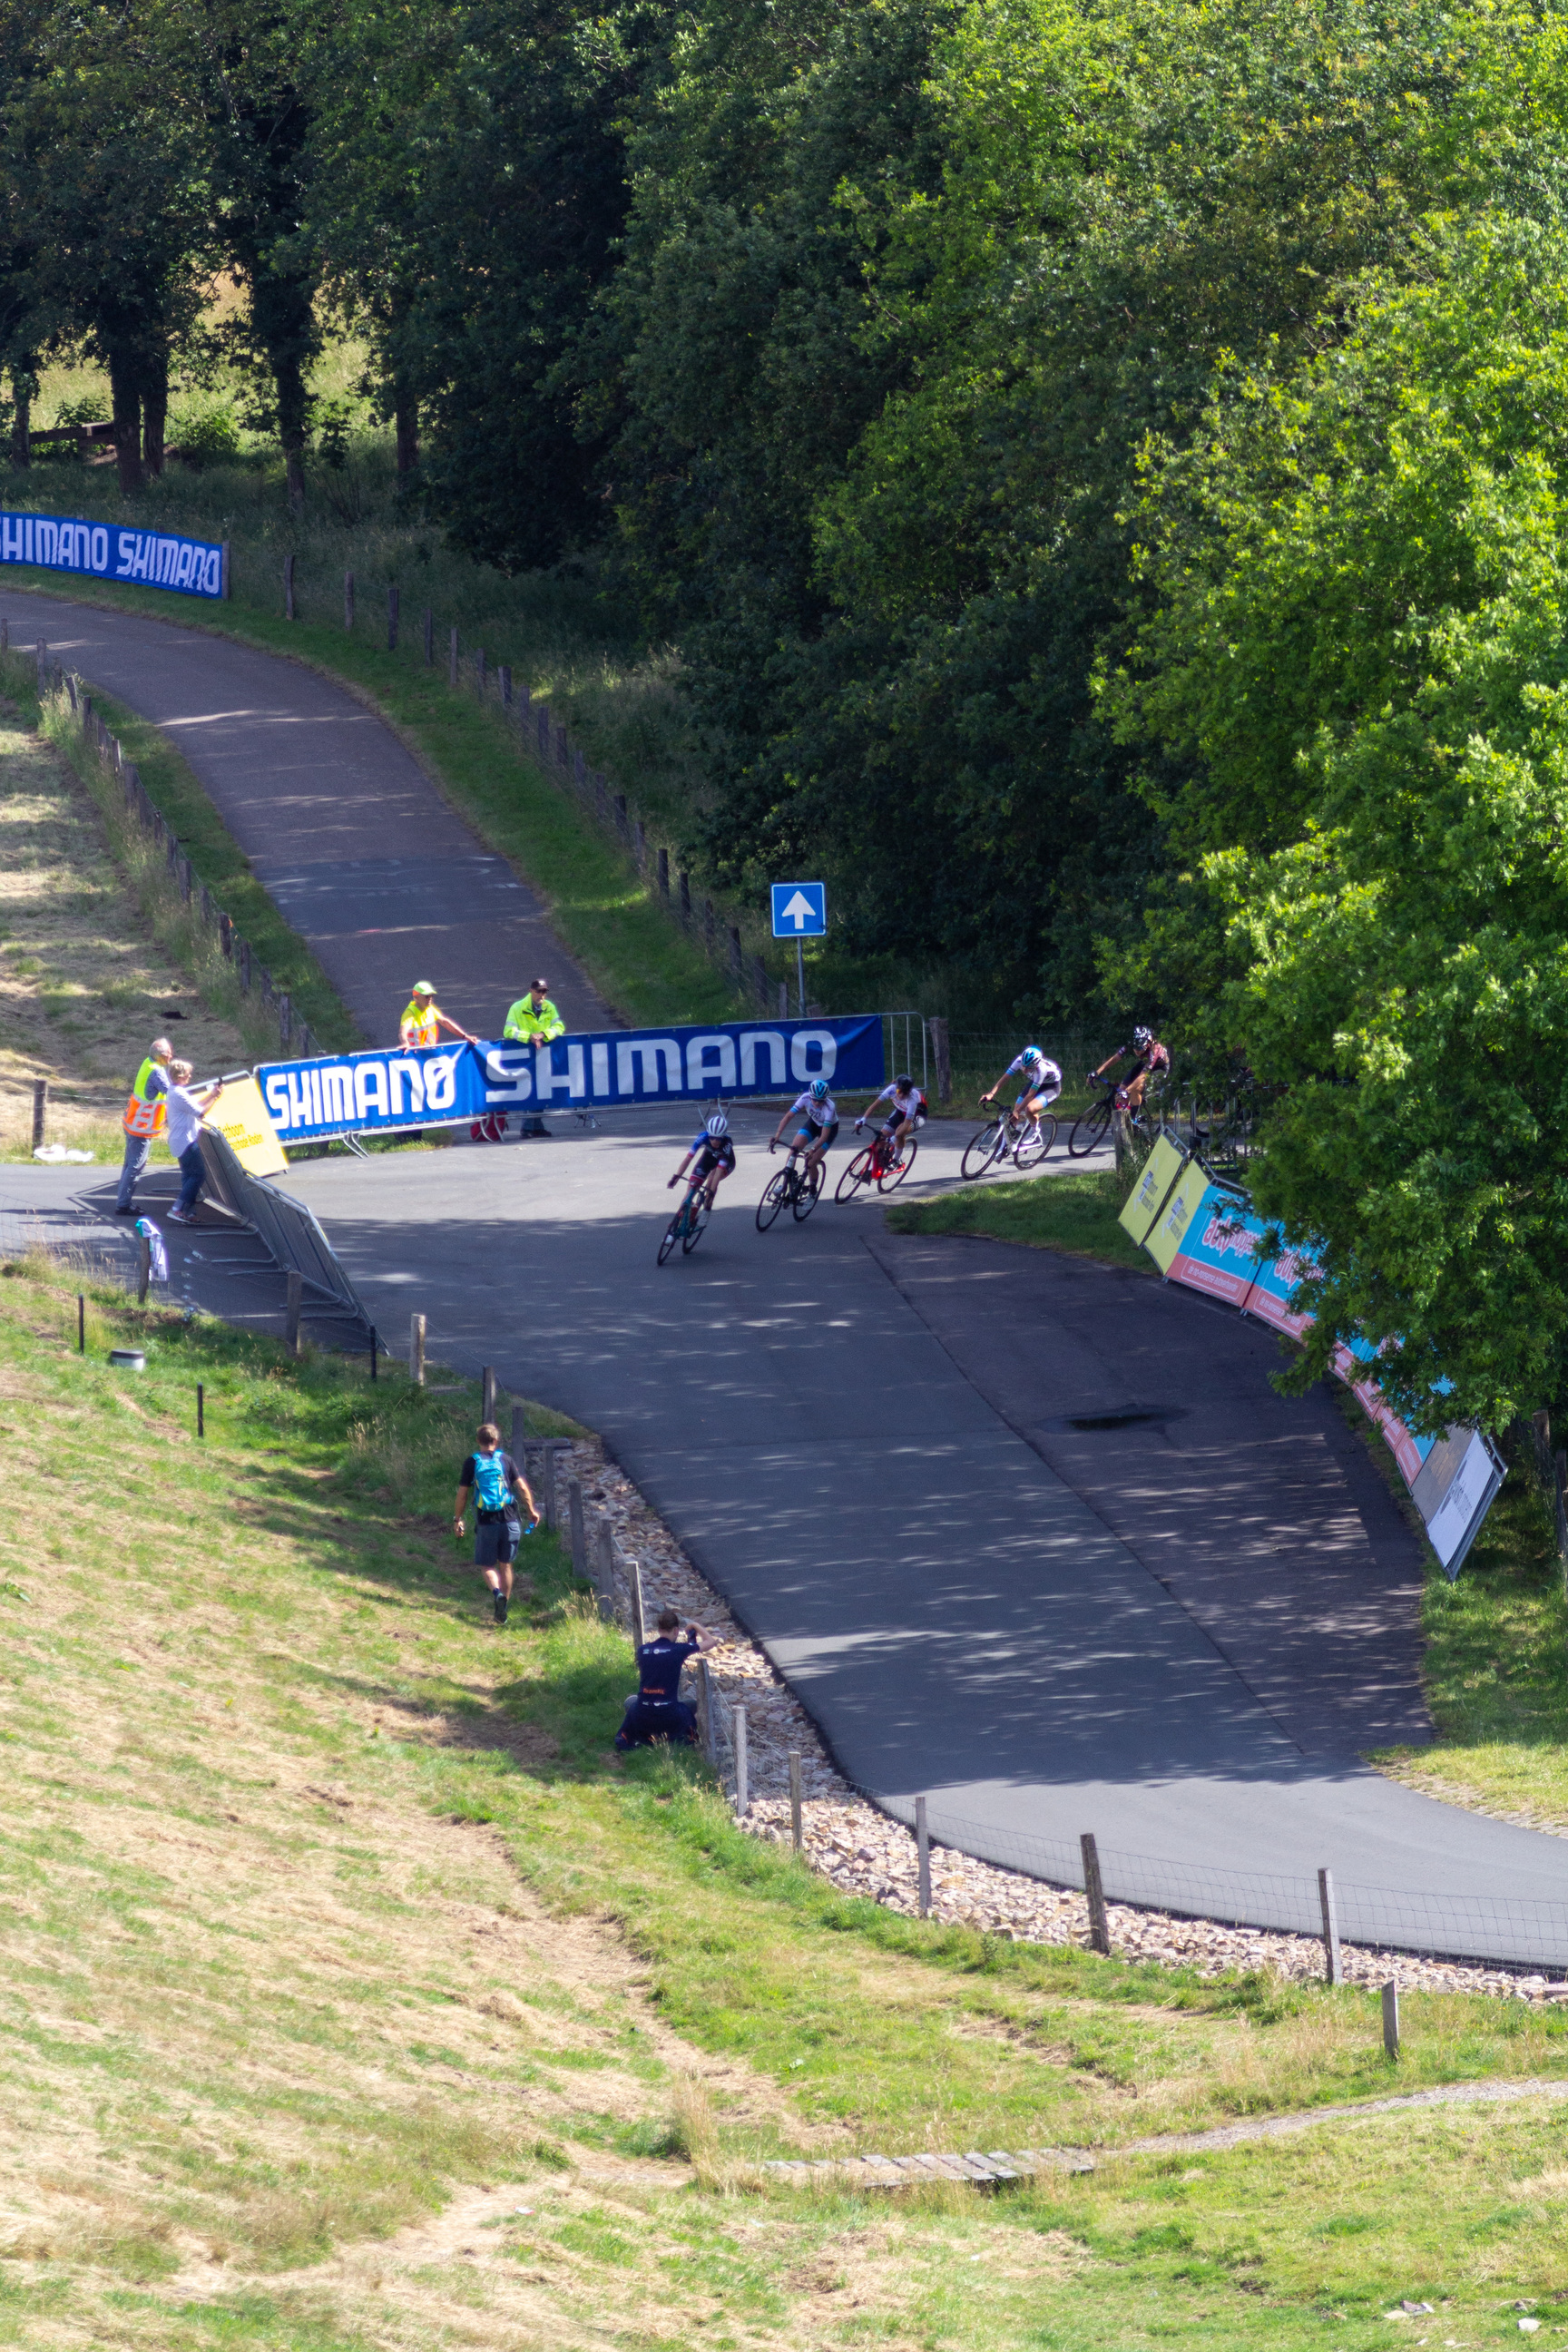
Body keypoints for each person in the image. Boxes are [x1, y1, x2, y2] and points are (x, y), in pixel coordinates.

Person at [453, 1423, 539, 1625]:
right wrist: (531, 1511)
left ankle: (497, 1593)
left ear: (478, 1441)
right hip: (510, 1520)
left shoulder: (472, 1462)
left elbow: (463, 1494)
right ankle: (503, 1608)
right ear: (496, 1441)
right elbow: (523, 1489)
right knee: (506, 1565)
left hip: (486, 1522)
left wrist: (457, 1519)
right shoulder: (506, 1460)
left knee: (487, 1565)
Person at [614, 1608, 724, 1750]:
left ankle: (647, 1736)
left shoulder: (642, 1650)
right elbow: (710, 1642)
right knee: (693, 1705)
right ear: (676, 1631)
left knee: (631, 1701)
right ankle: (684, 1738)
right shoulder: (678, 1650)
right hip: (670, 1715)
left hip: (643, 1713)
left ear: (659, 1629)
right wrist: (695, 1625)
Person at [113, 1036, 173, 1213]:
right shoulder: (156, 1072)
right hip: (142, 1126)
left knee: (129, 1164)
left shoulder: (148, 1064)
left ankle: (122, 1201)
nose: (171, 1057)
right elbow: (171, 1093)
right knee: (135, 1166)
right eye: (169, 1054)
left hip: (134, 1122)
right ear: (161, 1055)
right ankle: (123, 1204)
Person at [504, 978, 565, 1138]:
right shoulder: (517, 1008)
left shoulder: (549, 1007)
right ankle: (528, 1127)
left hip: (543, 1054)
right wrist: (529, 1036)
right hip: (524, 1055)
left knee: (541, 1089)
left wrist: (544, 1034)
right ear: (531, 990)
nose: (542, 995)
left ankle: (537, 1126)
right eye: (539, 991)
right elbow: (509, 1031)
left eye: (544, 991)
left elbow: (559, 1027)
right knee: (530, 1090)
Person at [163, 1062, 220, 1224]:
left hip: (182, 1140)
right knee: (198, 1174)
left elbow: (195, 1107)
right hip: (185, 1141)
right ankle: (177, 1208)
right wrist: (214, 1097)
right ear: (180, 1076)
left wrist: (212, 1095)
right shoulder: (178, 1093)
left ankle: (188, 1212)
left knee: (189, 1177)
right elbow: (200, 1112)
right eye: (188, 1074)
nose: (190, 1076)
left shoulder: (176, 1091)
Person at [981, 1045, 1063, 1146]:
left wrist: (1018, 1111)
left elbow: (1030, 1095)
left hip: (1051, 1087)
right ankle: (1010, 1142)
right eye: (1024, 1066)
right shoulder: (1019, 1061)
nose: (1024, 1069)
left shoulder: (1041, 1070)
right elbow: (1005, 1078)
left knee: (1030, 1108)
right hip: (1035, 1081)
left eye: (1028, 1068)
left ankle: (1034, 1132)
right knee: (1016, 1108)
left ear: (1036, 1065)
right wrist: (991, 1094)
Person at [668, 1111, 737, 1212]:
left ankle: (705, 1213)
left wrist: (711, 1194)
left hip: (726, 1163)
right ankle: (680, 1220)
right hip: (709, 1158)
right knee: (690, 1191)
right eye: (712, 1138)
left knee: (711, 1180)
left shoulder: (727, 1144)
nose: (715, 1141)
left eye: (718, 1139)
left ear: (723, 1136)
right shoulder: (703, 1137)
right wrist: (676, 1177)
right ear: (708, 1135)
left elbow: (718, 1173)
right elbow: (688, 1159)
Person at [1093, 1024, 1171, 1112]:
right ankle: (1125, 1117)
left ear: (1148, 1043)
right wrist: (1097, 1072)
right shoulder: (1131, 1043)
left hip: (1160, 1067)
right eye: (1135, 1047)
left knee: (1136, 1088)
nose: (1137, 1050)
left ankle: (1134, 1120)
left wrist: (1128, 1091)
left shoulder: (1154, 1050)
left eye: (1141, 1047)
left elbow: (1143, 1076)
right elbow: (1115, 1058)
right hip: (1145, 1063)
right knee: (1121, 1089)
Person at [769, 1076, 838, 1174]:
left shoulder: (829, 1107)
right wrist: (777, 1135)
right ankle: (787, 1178)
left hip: (829, 1129)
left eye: (821, 1100)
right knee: (794, 1149)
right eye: (814, 1100)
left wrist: (813, 1150)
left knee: (811, 1162)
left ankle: (813, 1188)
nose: (817, 1103)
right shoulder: (805, 1097)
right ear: (810, 1096)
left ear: (825, 1099)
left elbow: (824, 1136)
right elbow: (788, 1116)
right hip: (814, 1123)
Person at [855, 1075, 927, 1163]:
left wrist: (895, 1138)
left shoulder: (912, 1099)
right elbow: (875, 1105)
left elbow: (907, 1123)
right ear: (896, 1088)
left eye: (905, 1093)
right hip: (900, 1111)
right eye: (899, 1091)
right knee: (881, 1139)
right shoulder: (892, 1089)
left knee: (899, 1133)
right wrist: (863, 1118)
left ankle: (896, 1160)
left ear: (909, 1092)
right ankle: (876, 1165)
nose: (901, 1095)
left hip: (918, 1115)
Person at [400, 981, 475, 1051]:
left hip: (430, 1052)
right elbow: (402, 1032)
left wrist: (465, 1036)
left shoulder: (430, 1008)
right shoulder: (410, 1012)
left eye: (431, 996)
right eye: (426, 996)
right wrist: (405, 1043)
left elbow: (445, 1022)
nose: (430, 999)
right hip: (416, 1055)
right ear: (416, 997)